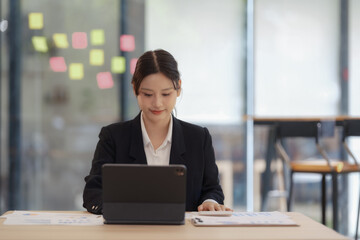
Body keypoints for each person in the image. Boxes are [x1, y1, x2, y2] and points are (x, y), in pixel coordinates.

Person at [83, 49, 231, 214]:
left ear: (178, 88)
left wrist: (210, 202)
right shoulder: (113, 137)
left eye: (166, 94)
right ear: (135, 89)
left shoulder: (198, 138)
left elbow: (212, 189)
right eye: (148, 94)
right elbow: (92, 192)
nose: (157, 103)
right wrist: (119, 211)